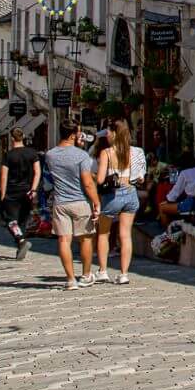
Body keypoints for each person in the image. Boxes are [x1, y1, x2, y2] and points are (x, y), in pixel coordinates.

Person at [45, 122, 101, 290]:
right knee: (85, 238)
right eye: (78, 133)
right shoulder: (81, 156)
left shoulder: (50, 155)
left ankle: (70, 279)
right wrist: (96, 202)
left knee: (64, 239)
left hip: (61, 202)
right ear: (73, 135)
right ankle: (85, 275)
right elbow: (88, 183)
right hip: (80, 201)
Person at [92, 119, 145, 286]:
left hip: (113, 195)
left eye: (108, 132)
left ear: (114, 133)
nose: (107, 135)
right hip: (130, 193)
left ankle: (102, 271)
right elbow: (141, 177)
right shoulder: (135, 152)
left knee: (103, 233)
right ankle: (123, 274)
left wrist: (90, 176)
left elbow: (100, 180)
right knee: (125, 235)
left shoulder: (106, 153)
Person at [0, 127, 43, 261]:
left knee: (10, 220)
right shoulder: (32, 153)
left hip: (12, 191)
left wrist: (2, 194)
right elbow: (37, 172)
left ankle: (21, 240)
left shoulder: (9, 155)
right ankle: (20, 245)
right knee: (22, 220)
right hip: (27, 191)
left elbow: (3, 176)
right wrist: (34, 189)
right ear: (23, 137)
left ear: (12, 138)